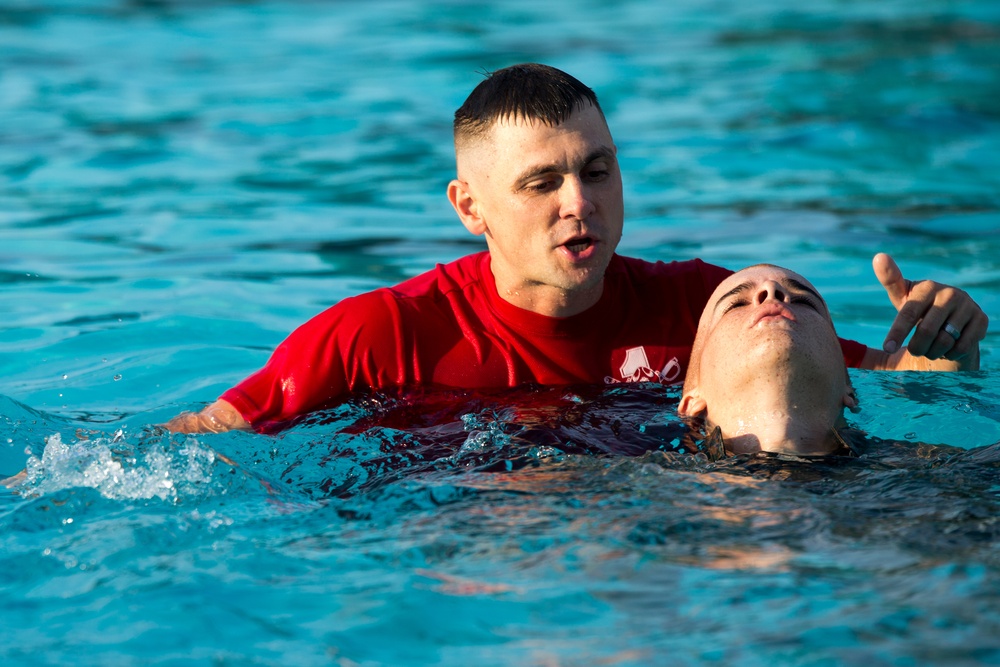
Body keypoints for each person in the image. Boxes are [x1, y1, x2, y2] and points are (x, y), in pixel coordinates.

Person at [165, 64, 988, 434]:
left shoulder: (707, 307)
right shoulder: (379, 334)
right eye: (541, 183)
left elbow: (870, 386)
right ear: (469, 206)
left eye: (598, 169)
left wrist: (946, 350)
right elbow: (207, 435)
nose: (580, 202)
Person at [678, 264, 960, 457]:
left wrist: (952, 349)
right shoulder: (644, 487)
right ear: (693, 402)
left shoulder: (945, 472)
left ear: (849, 390)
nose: (771, 290)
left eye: (803, 302)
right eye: (736, 304)